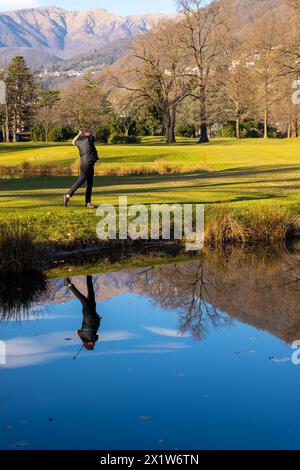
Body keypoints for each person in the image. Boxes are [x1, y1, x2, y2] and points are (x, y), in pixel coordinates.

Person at [64, 128, 99, 209]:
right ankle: (67, 195)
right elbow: (94, 136)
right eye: (89, 132)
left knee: (90, 183)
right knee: (80, 180)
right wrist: (84, 133)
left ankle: (88, 203)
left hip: (87, 163)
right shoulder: (89, 139)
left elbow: (73, 142)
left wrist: (79, 134)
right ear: (86, 133)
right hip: (87, 163)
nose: (90, 133)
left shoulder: (80, 142)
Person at [64, 275, 102, 351]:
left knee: (81, 297)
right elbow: (78, 332)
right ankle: (88, 276)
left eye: (91, 345)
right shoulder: (85, 337)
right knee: (91, 293)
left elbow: (96, 337)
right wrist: (83, 340)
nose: (93, 344)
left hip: (88, 314)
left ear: (88, 345)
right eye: (93, 345)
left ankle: (68, 284)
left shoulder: (89, 338)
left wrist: (84, 340)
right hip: (92, 311)